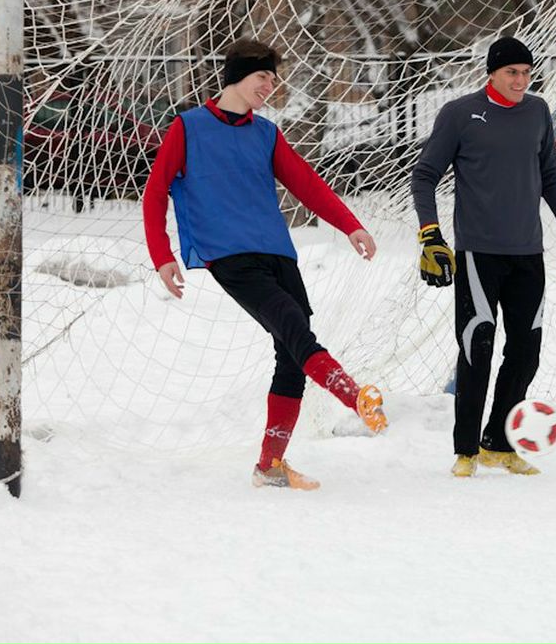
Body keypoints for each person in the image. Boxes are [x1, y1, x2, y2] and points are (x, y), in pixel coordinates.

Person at [143, 37, 387, 491]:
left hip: (278, 251)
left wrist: (350, 225)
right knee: (293, 324)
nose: (270, 87)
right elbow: (155, 192)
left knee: (292, 354)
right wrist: (162, 255)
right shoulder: (188, 127)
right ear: (238, 77)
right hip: (229, 256)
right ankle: (352, 395)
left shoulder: (266, 133)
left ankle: (270, 465)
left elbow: (306, 183)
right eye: (263, 77)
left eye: (273, 80)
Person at [411, 36, 556, 478]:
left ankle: (498, 443)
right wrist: (430, 235)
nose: (520, 80)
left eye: (526, 73)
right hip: (478, 253)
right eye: (512, 72)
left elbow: (550, 175)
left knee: (526, 352)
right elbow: (425, 175)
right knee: (478, 346)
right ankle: (466, 451)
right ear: (491, 73)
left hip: (528, 253)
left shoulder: (538, 112)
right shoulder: (460, 114)